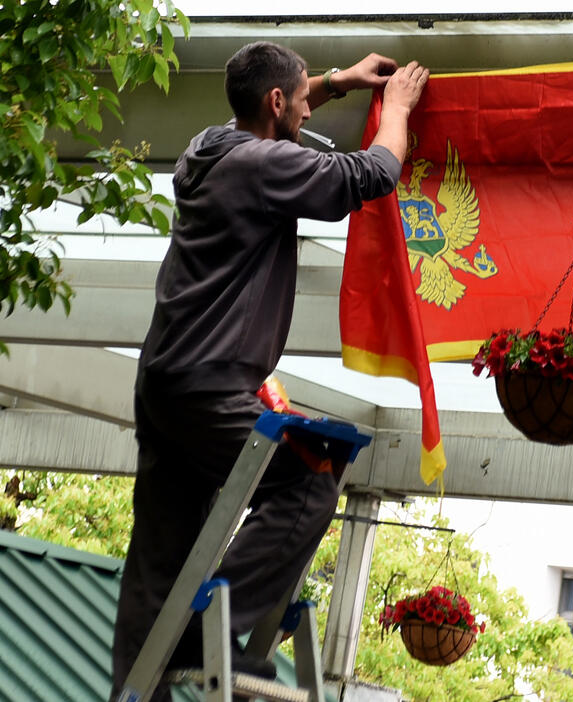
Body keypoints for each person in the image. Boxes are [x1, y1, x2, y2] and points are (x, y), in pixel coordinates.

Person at [110, 42, 428, 702]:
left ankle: (135, 693)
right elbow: (366, 176)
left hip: (167, 382)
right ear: (276, 104)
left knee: (158, 560)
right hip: (211, 384)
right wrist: (395, 108)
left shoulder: (211, 146)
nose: (312, 106)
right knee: (310, 476)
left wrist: (336, 81)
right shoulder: (261, 164)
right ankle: (211, 633)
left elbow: (280, 98)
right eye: (304, 99)